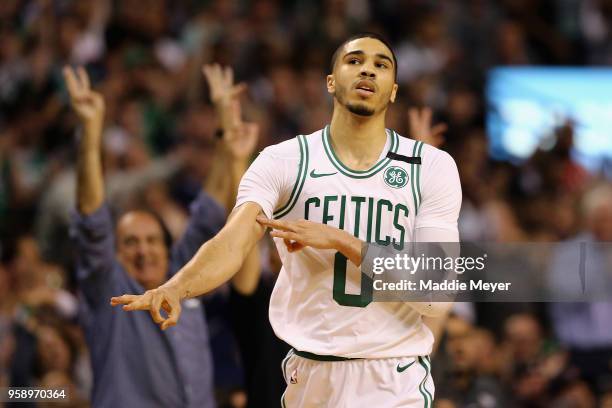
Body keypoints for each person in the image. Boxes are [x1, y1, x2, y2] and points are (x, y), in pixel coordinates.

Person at [112, 33, 462, 407]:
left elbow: (435, 291)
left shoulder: (430, 166)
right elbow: (234, 240)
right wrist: (176, 287)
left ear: (393, 90)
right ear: (331, 82)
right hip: (309, 373)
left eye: (381, 65)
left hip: (392, 375)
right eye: (355, 60)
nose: (368, 70)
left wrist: (345, 242)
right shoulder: (284, 160)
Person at [65, 64, 259, 407]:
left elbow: (210, 210)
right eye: (131, 243)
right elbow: (92, 218)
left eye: (153, 240)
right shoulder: (108, 289)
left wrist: (226, 135)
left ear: (166, 247)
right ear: (115, 254)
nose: (144, 251)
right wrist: (91, 134)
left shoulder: (183, 277)